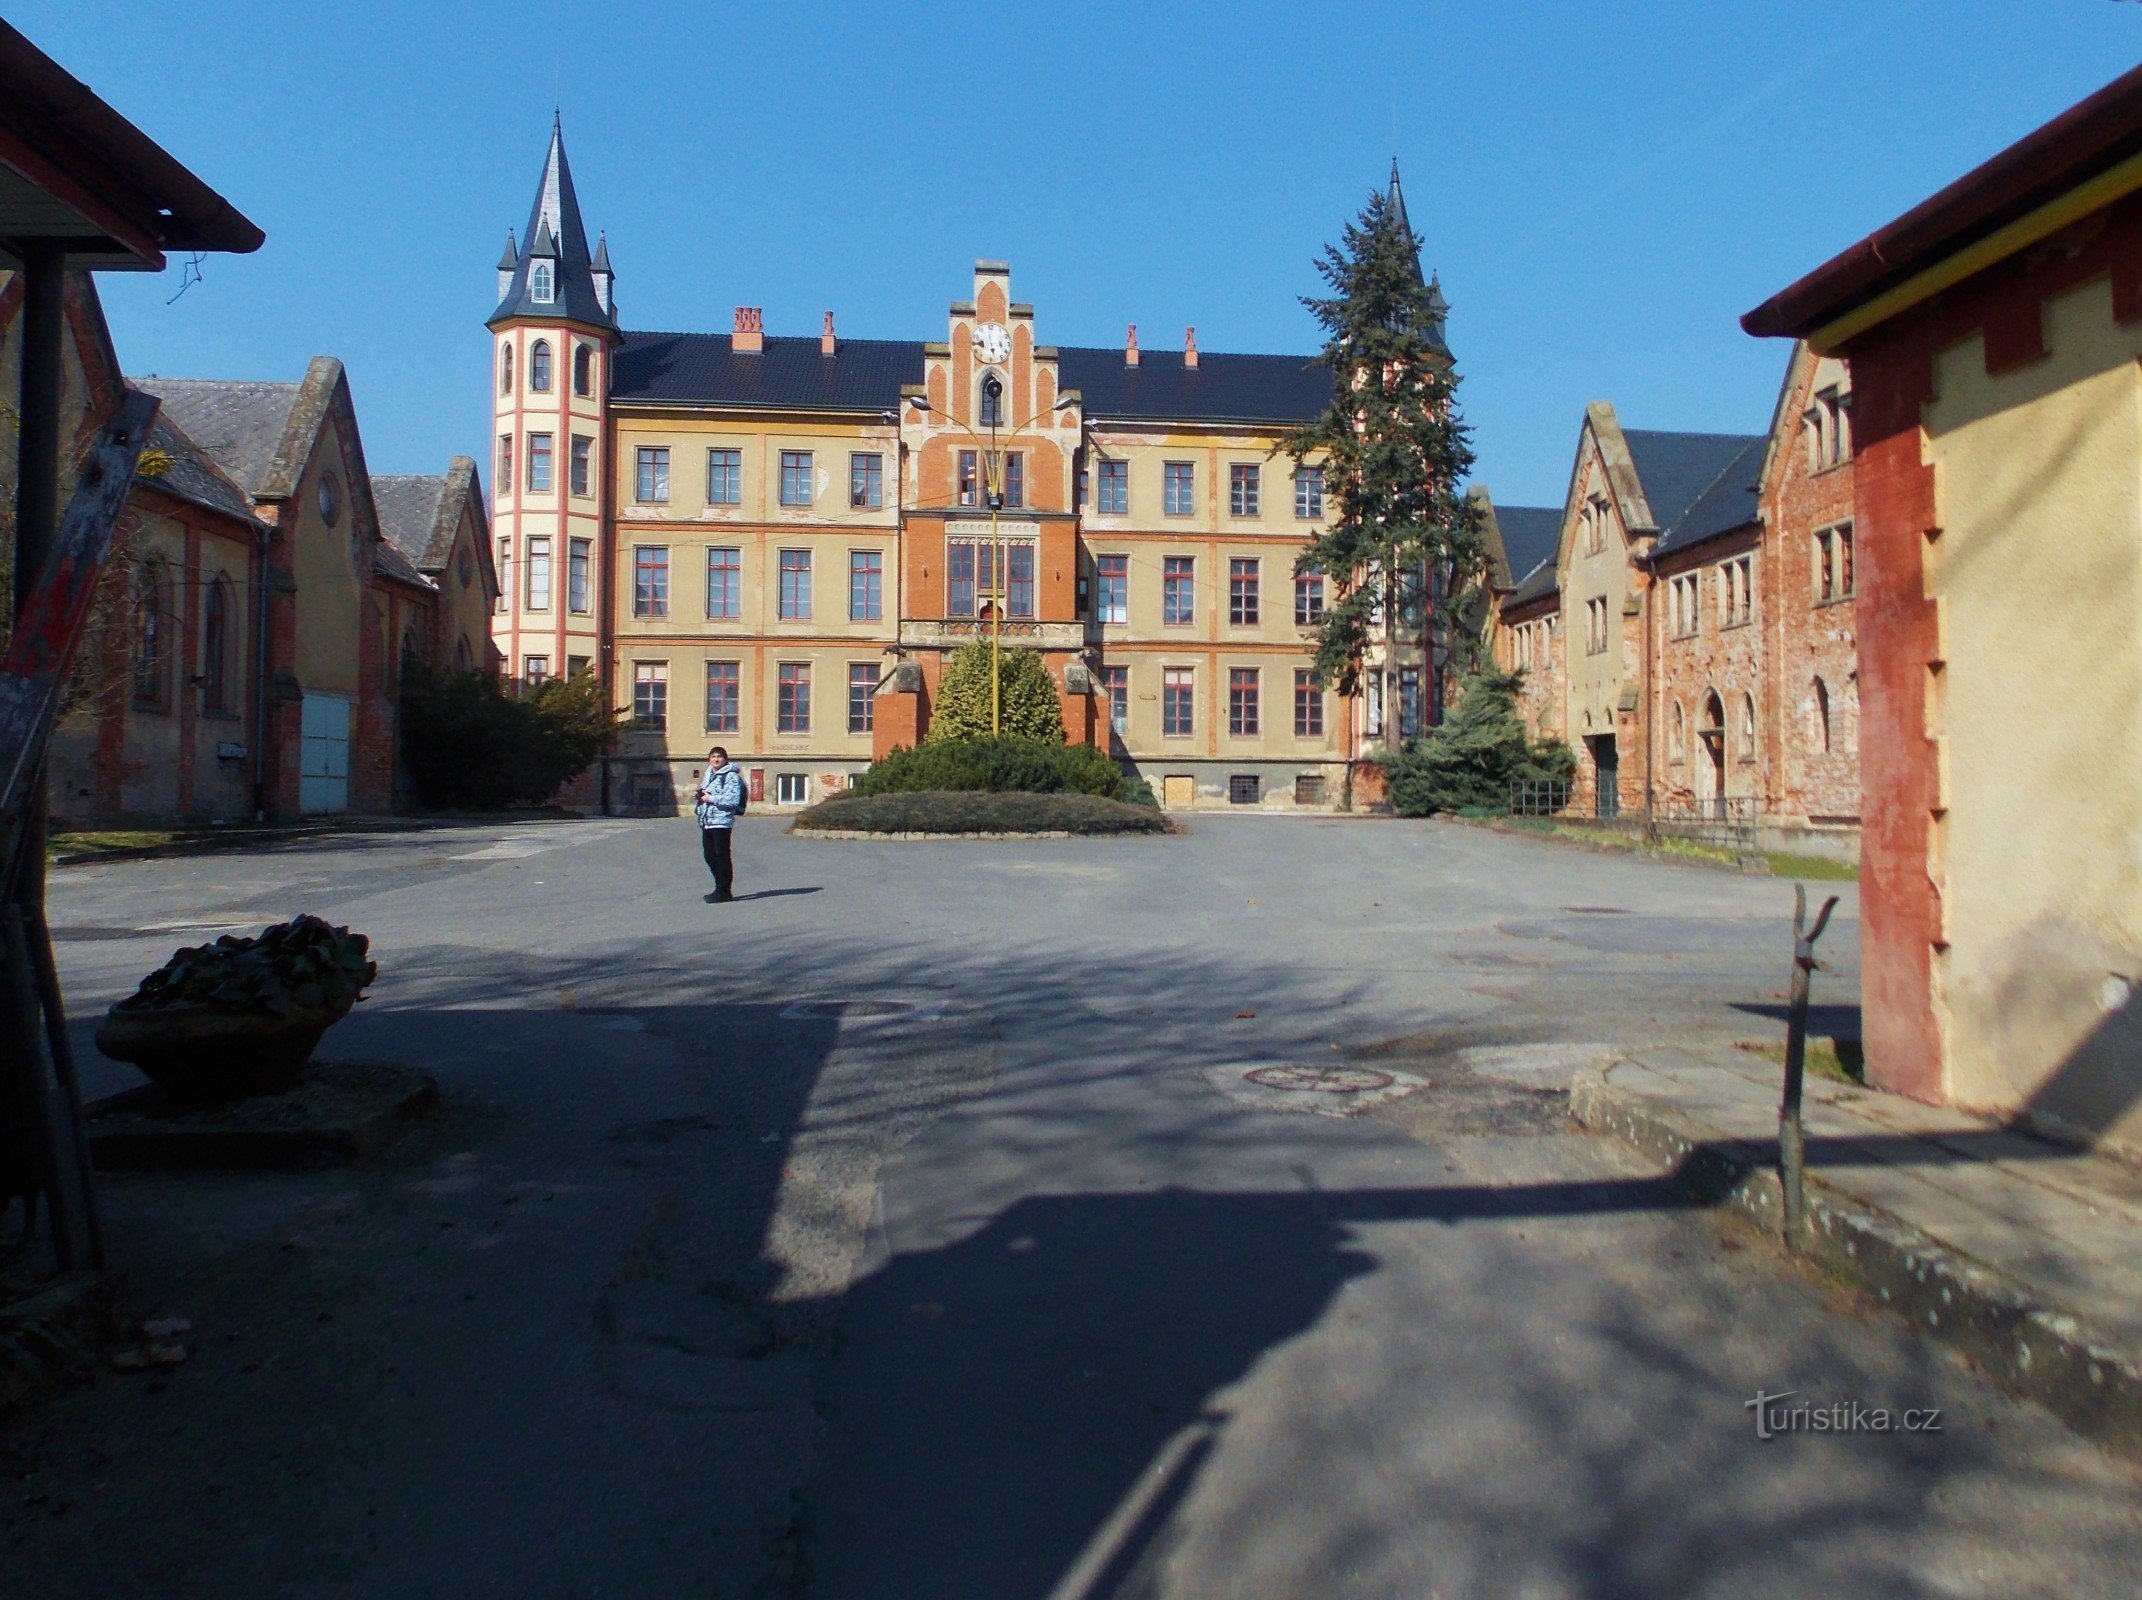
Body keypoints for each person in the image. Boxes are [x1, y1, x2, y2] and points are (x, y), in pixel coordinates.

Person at [693, 746, 745, 901]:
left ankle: (724, 890)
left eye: (720, 756)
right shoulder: (709, 774)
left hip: (722, 821)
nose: (716, 759)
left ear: (725, 759)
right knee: (709, 856)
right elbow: (706, 793)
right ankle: (719, 886)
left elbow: (732, 800)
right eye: (713, 756)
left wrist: (711, 798)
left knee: (722, 855)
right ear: (709, 759)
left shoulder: (730, 776)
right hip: (707, 821)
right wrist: (700, 797)